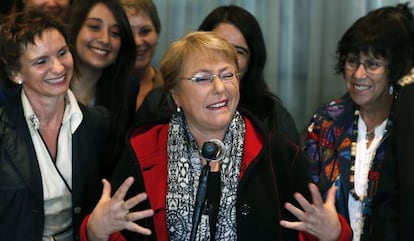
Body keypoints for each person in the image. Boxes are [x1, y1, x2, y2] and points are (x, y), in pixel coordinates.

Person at [83, 31, 351, 241]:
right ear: (175, 93)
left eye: (227, 75)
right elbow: (114, 230)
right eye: (202, 78)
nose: (220, 88)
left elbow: (311, 230)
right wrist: (95, 231)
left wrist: (334, 234)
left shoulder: (278, 153)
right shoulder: (143, 150)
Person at [0, 9, 153, 241]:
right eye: (41, 61)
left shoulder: (98, 124)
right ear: (15, 73)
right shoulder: (3, 126)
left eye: (62, 53)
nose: (59, 68)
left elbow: (100, 203)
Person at [301, 3, 414, 241]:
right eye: (352, 61)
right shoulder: (327, 121)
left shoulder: (406, 126)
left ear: (395, 69)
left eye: (372, 64)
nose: (358, 74)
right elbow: (304, 197)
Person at [198, 5, 300, 144]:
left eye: (239, 51)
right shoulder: (166, 103)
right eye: (219, 46)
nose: (228, 58)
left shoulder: (271, 117)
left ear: (252, 62)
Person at [68, 0, 137, 177]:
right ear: (74, 30)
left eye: (115, 33)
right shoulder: (49, 86)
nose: (105, 39)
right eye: (94, 27)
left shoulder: (125, 92)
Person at [120, 0, 164, 110]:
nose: (137, 42)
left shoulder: (172, 88)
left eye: (145, 31)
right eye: (128, 33)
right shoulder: (97, 88)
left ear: (157, 33)